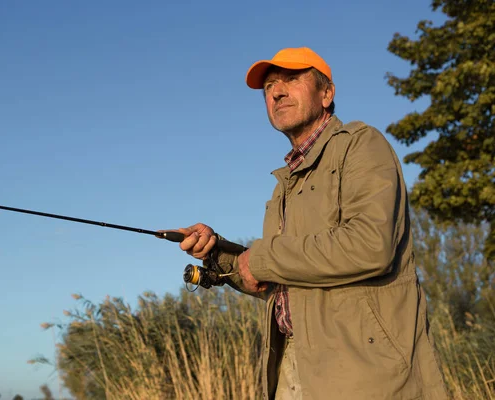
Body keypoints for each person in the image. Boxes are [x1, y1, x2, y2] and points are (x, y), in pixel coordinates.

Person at [175, 48, 448, 399]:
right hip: (294, 367)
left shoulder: (361, 145)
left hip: (364, 376)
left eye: (292, 79)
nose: (276, 91)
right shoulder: (284, 185)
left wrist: (259, 259)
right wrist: (219, 256)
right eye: (270, 85)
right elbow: (283, 280)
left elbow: (370, 246)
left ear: (327, 93)